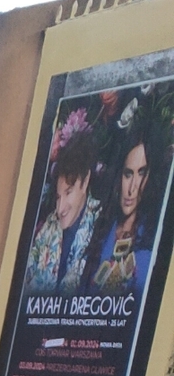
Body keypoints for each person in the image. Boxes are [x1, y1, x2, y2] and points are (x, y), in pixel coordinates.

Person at [28, 119, 100, 292]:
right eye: (59, 197)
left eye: (68, 193)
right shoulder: (48, 227)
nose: (61, 209)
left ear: (85, 181)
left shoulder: (101, 224)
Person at [84, 122, 157, 294]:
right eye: (128, 174)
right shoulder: (99, 229)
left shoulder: (151, 234)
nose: (132, 188)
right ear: (118, 176)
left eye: (141, 173)